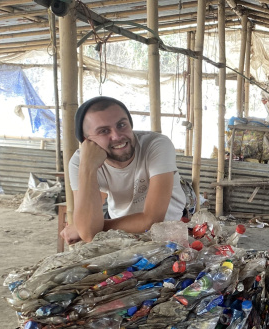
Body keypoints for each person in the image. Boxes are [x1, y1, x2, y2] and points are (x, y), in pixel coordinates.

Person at [59, 96, 186, 244]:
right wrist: (88, 168)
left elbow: (152, 220)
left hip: (170, 227)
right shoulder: (80, 162)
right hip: (119, 227)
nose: (117, 136)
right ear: (87, 141)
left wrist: (91, 228)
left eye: (121, 125)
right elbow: (88, 232)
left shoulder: (156, 145)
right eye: (104, 131)